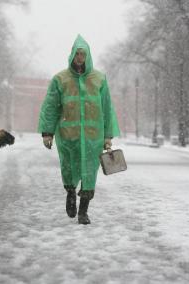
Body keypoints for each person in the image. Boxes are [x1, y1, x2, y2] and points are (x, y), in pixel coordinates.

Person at [38, 35, 120, 225]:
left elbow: (107, 107)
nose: (80, 57)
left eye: (83, 54)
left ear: (88, 55)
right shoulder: (60, 79)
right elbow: (51, 106)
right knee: (70, 167)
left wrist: (108, 135)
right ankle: (70, 193)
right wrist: (47, 132)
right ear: (72, 55)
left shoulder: (99, 79)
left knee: (89, 172)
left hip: (93, 137)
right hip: (68, 136)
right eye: (78, 53)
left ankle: (84, 211)